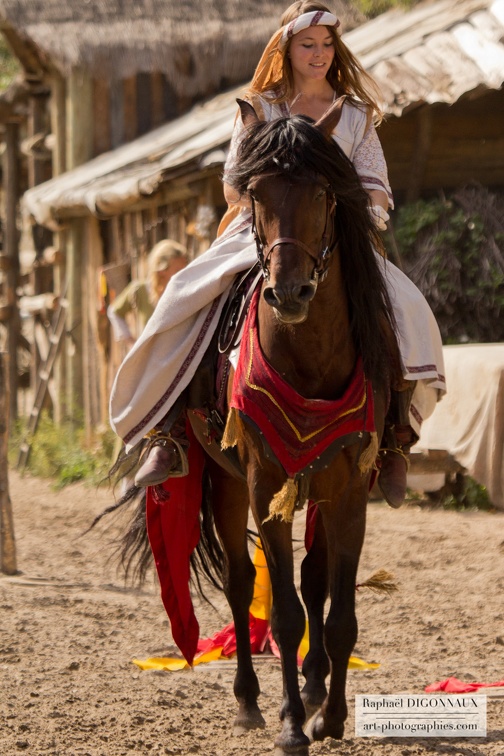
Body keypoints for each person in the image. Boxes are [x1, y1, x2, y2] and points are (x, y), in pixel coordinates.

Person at [111, 0, 446, 504]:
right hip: (260, 231)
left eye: (327, 45)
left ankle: (396, 438)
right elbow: (232, 187)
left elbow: (376, 189)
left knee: (405, 307)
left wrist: (363, 215)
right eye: (308, 45)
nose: (320, 54)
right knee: (186, 294)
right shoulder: (260, 107)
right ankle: (169, 430)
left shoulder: (354, 116)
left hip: (335, 236)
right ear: (286, 49)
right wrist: (271, 212)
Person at [107, 239, 188, 350]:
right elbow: (114, 312)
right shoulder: (141, 290)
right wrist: (130, 342)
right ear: (162, 270)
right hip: (149, 359)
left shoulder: (184, 293)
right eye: (178, 269)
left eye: (185, 268)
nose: (183, 273)